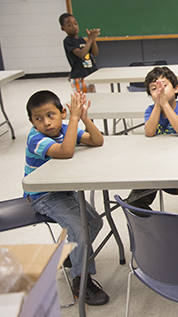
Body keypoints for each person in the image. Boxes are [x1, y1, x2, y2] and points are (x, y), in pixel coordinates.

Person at [24, 90, 109, 305]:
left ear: (61, 113)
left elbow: (97, 141)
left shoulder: (65, 127)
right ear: (31, 121)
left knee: (95, 222)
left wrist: (83, 118)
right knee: (80, 229)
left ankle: (75, 255)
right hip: (43, 195)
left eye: (51, 115)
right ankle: (81, 281)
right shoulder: (36, 138)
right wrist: (72, 119)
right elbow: (66, 151)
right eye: (38, 118)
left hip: (64, 188)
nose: (46, 123)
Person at [127, 66, 178, 210]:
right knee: (133, 202)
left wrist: (165, 104)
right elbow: (149, 132)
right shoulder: (150, 110)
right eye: (154, 88)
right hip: (156, 167)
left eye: (163, 86)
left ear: (176, 88)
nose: (159, 91)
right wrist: (159, 104)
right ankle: (154, 227)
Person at [59, 13, 100, 93]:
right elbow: (81, 54)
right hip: (79, 76)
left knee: (92, 97)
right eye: (69, 25)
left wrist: (93, 40)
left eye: (75, 24)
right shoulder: (68, 41)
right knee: (83, 99)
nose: (74, 26)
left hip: (88, 74)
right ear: (63, 28)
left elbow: (95, 53)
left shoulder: (81, 40)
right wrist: (90, 40)